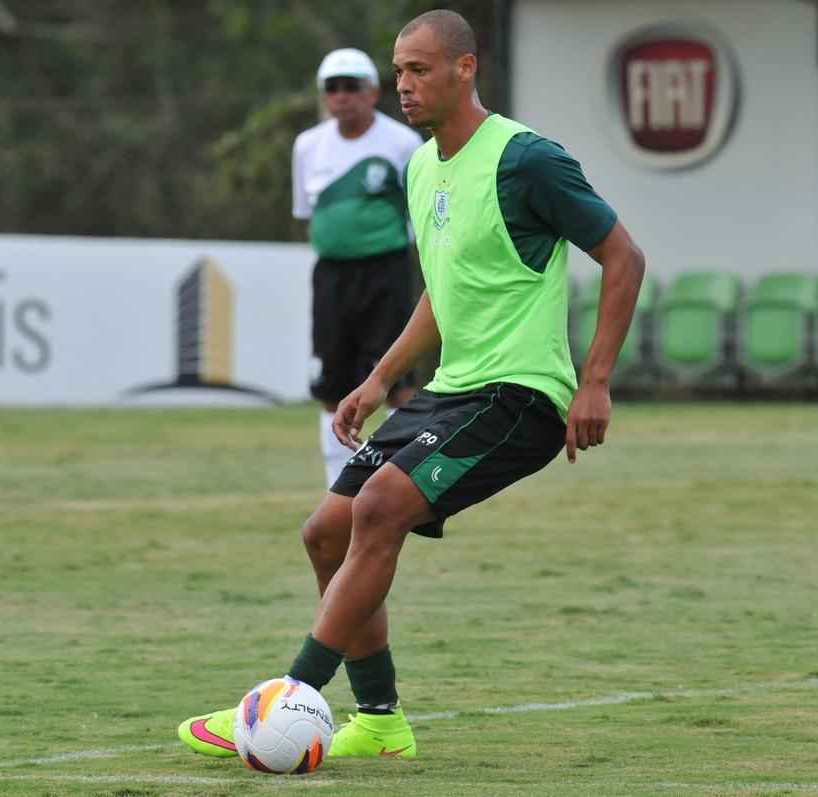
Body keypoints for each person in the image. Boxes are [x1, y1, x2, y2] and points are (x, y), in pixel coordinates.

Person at [177, 9, 645, 761]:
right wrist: (379, 377)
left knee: (381, 505)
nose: (403, 85)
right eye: (398, 70)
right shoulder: (422, 166)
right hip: (451, 389)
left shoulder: (527, 160)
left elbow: (624, 257)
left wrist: (594, 381)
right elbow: (442, 292)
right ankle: (382, 720)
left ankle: (289, 696)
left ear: (466, 69)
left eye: (419, 70)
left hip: (519, 394)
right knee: (325, 531)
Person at [293, 47, 423, 487]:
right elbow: (308, 213)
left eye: (352, 86)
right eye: (333, 87)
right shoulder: (308, 145)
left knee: (398, 380)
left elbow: (419, 213)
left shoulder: (402, 143)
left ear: (372, 92)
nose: (342, 96)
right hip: (331, 277)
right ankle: (338, 485)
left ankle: (403, 482)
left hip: (386, 273)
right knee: (334, 381)